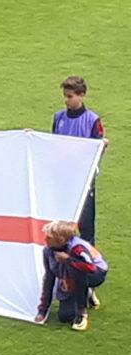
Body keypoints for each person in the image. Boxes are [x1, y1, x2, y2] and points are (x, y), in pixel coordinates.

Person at [52, 76, 106, 248]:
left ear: (82, 95)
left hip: (84, 181)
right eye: (65, 96)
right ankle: (61, 267)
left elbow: (98, 150)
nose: (66, 100)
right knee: (61, 226)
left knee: (86, 226)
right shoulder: (59, 118)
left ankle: (88, 268)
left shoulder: (92, 120)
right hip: (62, 179)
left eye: (70, 96)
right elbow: (52, 145)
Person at [35, 220, 108, 332]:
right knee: (65, 317)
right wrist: (42, 309)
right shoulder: (47, 251)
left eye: (49, 238)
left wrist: (68, 259)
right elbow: (49, 278)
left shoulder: (77, 248)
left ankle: (81, 314)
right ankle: (86, 293)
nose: (45, 240)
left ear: (61, 240)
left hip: (95, 274)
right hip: (70, 276)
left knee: (79, 271)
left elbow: (91, 268)